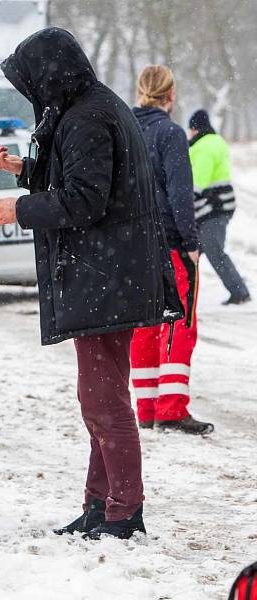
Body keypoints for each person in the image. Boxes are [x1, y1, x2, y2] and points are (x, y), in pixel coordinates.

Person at [0, 28, 182, 540]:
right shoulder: (91, 107)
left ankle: (122, 513)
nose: (31, 93)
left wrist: (20, 209)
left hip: (105, 275)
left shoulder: (87, 116)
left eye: (31, 81)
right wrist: (24, 169)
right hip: (111, 273)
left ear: (50, 74)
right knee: (103, 396)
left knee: (102, 401)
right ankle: (101, 506)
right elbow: (83, 179)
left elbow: (85, 200)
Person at [129, 66, 213, 435]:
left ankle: (146, 406)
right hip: (169, 243)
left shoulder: (125, 129)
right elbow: (181, 194)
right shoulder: (171, 133)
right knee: (179, 321)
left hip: (133, 243)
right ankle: (172, 407)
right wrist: (191, 242)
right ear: (171, 95)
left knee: (144, 323)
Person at [188, 108, 251, 305]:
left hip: (212, 207)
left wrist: (189, 196)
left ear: (195, 128)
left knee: (213, 249)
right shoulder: (216, 142)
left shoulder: (203, 147)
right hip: (220, 205)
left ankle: (239, 292)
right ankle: (183, 293)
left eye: (190, 129)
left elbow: (199, 179)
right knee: (194, 250)